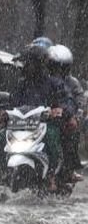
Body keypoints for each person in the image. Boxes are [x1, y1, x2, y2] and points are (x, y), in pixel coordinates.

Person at [7, 42, 73, 189]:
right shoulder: (21, 85)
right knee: (0, 136)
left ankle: (51, 174)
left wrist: (60, 110)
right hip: (21, 127)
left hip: (46, 126)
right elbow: (11, 103)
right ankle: (2, 173)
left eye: (28, 64)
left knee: (51, 136)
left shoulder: (55, 84)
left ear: (38, 64)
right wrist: (3, 114)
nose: (25, 67)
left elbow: (67, 102)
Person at [47, 44, 84, 182]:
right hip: (44, 119)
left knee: (71, 135)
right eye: (56, 66)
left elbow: (79, 102)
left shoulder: (73, 83)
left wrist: (74, 117)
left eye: (62, 67)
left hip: (65, 120)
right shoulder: (44, 81)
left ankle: (69, 169)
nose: (59, 71)